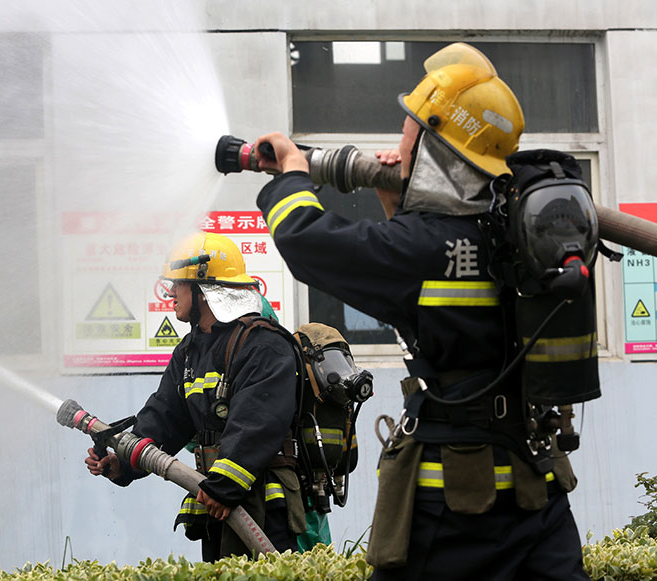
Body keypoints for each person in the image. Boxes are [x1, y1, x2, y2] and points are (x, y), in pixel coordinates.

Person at [251, 42, 589, 579]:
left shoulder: (423, 248)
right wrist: (401, 207)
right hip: (536, 489)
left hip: (454, 507)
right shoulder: (522, 230)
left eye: (410, 131)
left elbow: (310, 243)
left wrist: (291, 174)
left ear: (437, 149)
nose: (400, 145)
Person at [84, 231, 306, 561]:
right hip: (216, 497)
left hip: (263, 503)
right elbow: (164, 418)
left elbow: (258, 422)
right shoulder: (190, 352)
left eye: (179, 283)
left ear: (203, 289)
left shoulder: (263, 344)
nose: (171, 291)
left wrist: (227, 484)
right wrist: (121, 464)